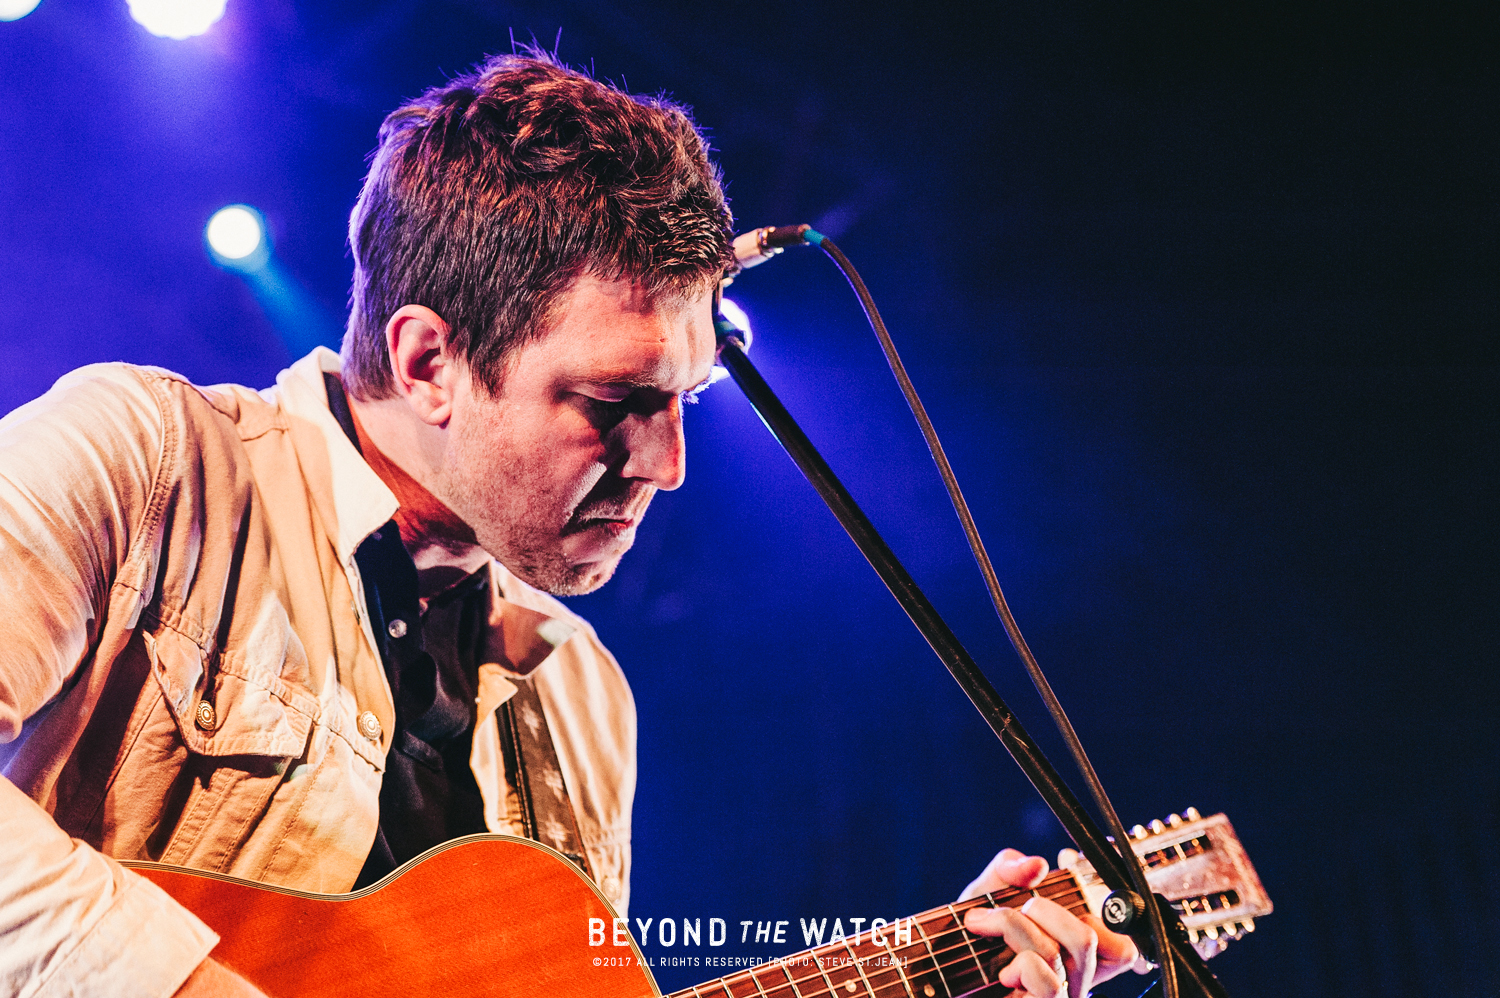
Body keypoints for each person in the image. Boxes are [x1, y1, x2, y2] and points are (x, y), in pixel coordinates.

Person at [0, 53, 1141, 998]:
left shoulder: (584, 697)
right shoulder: (149, 464)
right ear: (429, 360)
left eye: (684, 402)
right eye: (613, 403)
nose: (669, 466)